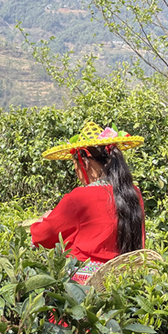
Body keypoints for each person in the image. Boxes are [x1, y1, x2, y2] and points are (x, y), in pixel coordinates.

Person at [30, 121, 146, 283]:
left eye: (75, 165)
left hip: (84, 284)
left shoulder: (79, 197)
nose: (76, 171)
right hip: (125, 279)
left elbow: (42, 237)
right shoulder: (133, 192)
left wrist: (43, 220)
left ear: (85, 163)